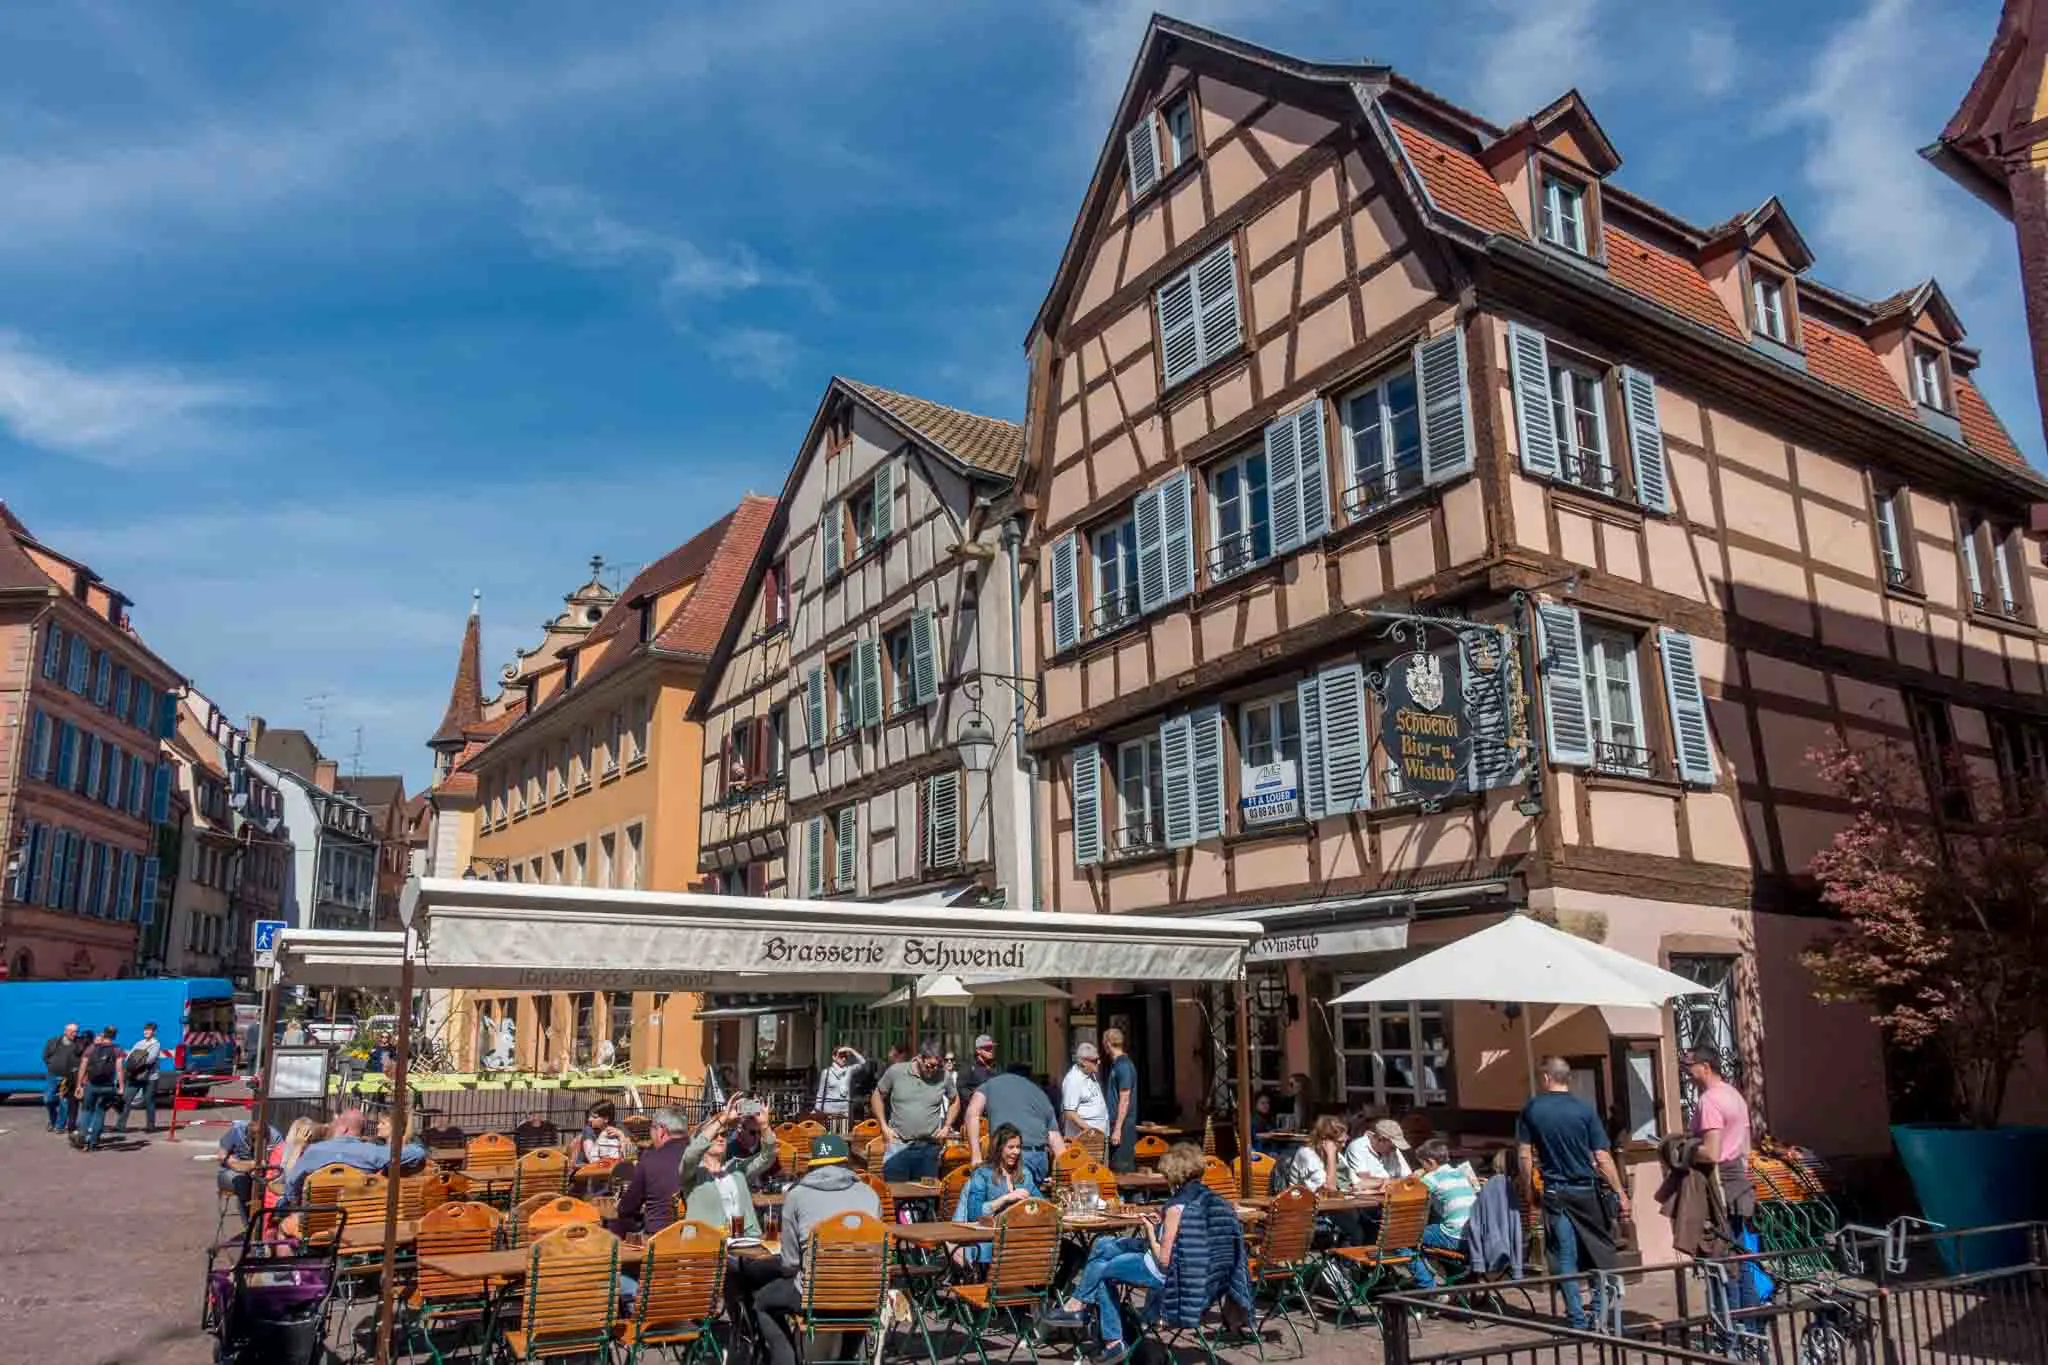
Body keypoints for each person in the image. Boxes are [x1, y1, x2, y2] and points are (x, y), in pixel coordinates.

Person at [1042, 1143, 1250, 1364]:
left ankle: (1111, 1339)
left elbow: (1164, 1261)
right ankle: (1078, 1305)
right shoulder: (1214, 1201)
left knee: (1102, 1271)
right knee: (1103, 1244)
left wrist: (1151, 1231)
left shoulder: (1176, 1208)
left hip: (1172, 1275)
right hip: (1206, 1275)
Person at [742, 1133, 880, 1365]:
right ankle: (846, 1359)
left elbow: (790, 1264)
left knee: (762, 1303)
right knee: (854, 1303)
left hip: (815, 1294)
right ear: (845, 1162)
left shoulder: (797, 1195)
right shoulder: (870, 1194)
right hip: (865, 1295)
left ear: (813, 1165)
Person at [1517, 1056, 1631, 1330]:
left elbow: (1523, 1155)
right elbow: (1602, 1156)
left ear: (1546, 1078)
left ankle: (1576, 1319)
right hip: (1586, 1190)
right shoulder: (1585, 1109)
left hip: (1555, 1191)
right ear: (1568, 1078)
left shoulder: (1532, 1109)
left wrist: (1529, 1189)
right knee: (1597, 1251)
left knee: (1565, 1257)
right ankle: (1601, 1314)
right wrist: (1620, 1191)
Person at [1685, 1046, 1758, 1309]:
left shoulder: (1710, 1100)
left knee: (1721, 1261)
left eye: (1689, 1066)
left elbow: (1712, 1152)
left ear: (1705, 1067)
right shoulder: (1734, 1095)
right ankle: (1752, 1329)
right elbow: (1746, 1147)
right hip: (1738, 1182)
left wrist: (1684, 1148)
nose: (1687, 1073)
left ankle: (1731, 1336)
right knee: (1740, 1260)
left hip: (1720, 1185)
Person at [285, 1107, 428, 1202]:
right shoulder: (372, 1152)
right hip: (356, 1219)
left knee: (284, 1228)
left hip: (316, 1222)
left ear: (344, 1128)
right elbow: (418, 1152)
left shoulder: (314, 1151)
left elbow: (291, 1187)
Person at [953, 1123, 1044, 1264]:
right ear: (999, 1148)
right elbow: (974, 1214)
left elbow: (1042, 1205)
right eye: (1011, 1147)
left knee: (1069, 1251)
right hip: (985, 1241)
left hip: (1016, 1239)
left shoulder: (1024, 1174)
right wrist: (1005, 1199)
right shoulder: (982, 1174)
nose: (1016, 1152)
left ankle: (1043, 1285)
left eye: (1018, 1147)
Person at [965, 1065, 1068, 1187]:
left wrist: (976, 1156)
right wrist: (1065, 1172)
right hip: (1039, 1159)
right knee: (1030, 1203)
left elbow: (972, 1114)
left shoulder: (990, 1085)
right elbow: (1054, 1137)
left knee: (1011, 1202)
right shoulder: (1040, 1093)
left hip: (1011, 1157)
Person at [872, 1039, 957, 1181]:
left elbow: (955, 1101)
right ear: (919, 1058)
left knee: (926, 1198)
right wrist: (883, 1126)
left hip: (929, 1149)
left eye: (938, 1066)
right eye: (930, 1066)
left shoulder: (944, 1076)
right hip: (898, 1145)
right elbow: (877, 1096)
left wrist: (947, 1126)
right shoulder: (896, 1071)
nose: (934, 1070)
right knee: (895, 1194)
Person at [1282, 1115, 1367, 1244]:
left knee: (1369, 1222)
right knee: (1356, 1232)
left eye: (1345, 1141)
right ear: (1325, 1141)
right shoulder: (1307, 1155)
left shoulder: (1337, 1155)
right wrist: (1331, 1155)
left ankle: (1354, 1261)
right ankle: (1343, 1262)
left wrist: (1385, 1183)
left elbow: (1356, 1182)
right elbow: (1329, 1189)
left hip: (1333, 1207)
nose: (1344, 1146)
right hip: (1311, 1211)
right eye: (1340, 1142)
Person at [1408, 1139, 1480, 1289]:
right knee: (1433, 1231)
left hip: (1453, 1236)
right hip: (1475, 1236)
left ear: (1430, 1162)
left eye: (1423, 1164)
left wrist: (1414, 1178)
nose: (1423, 1168)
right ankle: (1458, 1279)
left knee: (1403, 1240)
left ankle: (1427, 1286)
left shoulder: (1431, 1178)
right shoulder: (1460, 1173)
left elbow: (1408, 1195)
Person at [216, 1117, 283, 1219]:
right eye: (253, 1141)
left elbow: (278, 1162)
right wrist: (249, 1164)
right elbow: (222, 1155)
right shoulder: (237, 1130)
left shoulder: (275, 1137)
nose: (256, 1145)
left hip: (263, 1171)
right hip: (235, 1171)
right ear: (247, 1136)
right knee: (241, 1183)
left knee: (274, 1186)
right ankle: (249, 1223)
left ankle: (267, 1221)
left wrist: (243, 1164)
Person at [73, 1026, 126, 1151]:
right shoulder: (117, 1050)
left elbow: (83, 1067)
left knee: (86, 1111)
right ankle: (93, 1142)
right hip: (107, 1086)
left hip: (91, 1085)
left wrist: (79, 1085)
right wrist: (121, 1087)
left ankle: (82, 1136)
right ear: (114, 1036)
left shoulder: (91, 1048)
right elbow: (119, 1070)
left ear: (103, 1034)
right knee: (100, 1112)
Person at [115, 1022, 164, 1135]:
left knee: (149, 1101)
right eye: (145, 1030)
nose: (146, 1032)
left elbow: (150, 1059)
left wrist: (135, 1063)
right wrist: (132, 1065)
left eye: (149, 1030)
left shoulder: (156, 1044)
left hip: (150, 1077)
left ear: (154, 1032)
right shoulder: (139, 1043)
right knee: (126, 1099)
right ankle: (120, 1125)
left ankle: (150, 1126)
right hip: (135, 1076)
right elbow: (129, 1057)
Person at [1101, 1028, 1139, 1173]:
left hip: (1123, 1127)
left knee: (1122, 1169)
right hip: (1117, 1124)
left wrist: (1117, 1129)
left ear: (1108, 1044)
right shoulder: (1118, 1064)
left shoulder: (1123, 1065)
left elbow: (1125, 1099)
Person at [1340, 1116, 1413, 1187]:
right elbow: (1364, 1180)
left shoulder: (1393, 1149)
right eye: (1392, 1147)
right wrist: (1395, 1181)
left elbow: (1408, 1176)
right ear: (1381, 1139)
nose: (1394, 1150)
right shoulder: (1358, 1147)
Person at [1060, 1041, 1109, 1138]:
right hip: (1085, 1140)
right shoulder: (1073, 1080)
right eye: (1095, 1060)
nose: (1099, 1062)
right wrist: (1090, 1132)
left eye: (1098, 1059)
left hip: (1099, 1138)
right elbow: (1070, 1113)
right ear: (1083, 1062)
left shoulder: (1090, 1074)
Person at [41, 1022, 83, 1134]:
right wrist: (52, 1065)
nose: (75, 1034)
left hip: (68, 1077)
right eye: (72, 1032)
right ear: (65, 1031)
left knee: (64, 1101)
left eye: (76, 1032)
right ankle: (53, 1120)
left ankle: (59, 1126)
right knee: (48, 1099)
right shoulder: (54, 1042)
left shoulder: (79, 1043)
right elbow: (45, 1056)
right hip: (53, 1074)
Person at [815, 1044, 867, 1119]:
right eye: (841, 1056)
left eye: (845, 1057)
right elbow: (820, 1093)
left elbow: (863, 1063)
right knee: (830, 1130)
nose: (844, 1059)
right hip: (829, 1111)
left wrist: (850, 1050)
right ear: (834, 1057)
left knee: (844, 1130)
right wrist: (817, 1110)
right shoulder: (826, 1072)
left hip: (845, 1111)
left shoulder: (849, 1070)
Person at [574, 1099, 632, 1164]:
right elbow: (591, 1157)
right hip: (587, 1168)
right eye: (590, 1116)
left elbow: (629, 1151)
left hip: (614, 1166)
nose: (589, 1119)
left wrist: (621, 1135)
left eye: (594, 1117)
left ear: (606, 1119)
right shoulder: (589, 1129)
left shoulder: (619, 1126)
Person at [957, 1034, 998, 1110]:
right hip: (976, 1113)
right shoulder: (968, 1066)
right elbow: (961, 1088)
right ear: (978, 1050)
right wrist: (974, 1097)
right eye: (987, 1048)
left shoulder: (995, 1066)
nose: (991, 1050)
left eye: (992, 1048)